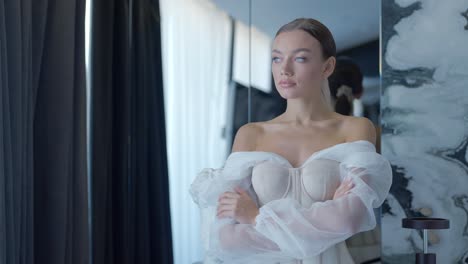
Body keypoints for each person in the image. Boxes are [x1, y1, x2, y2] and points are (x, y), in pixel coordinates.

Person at [190, 18, 392, 264]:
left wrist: (255, 218)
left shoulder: (355, 128)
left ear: (327, 67)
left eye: (300, 58)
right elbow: (226, 238)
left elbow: (351, 217)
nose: (284, 69)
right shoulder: (251, 134)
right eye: (276, 58)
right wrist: (325, 221)